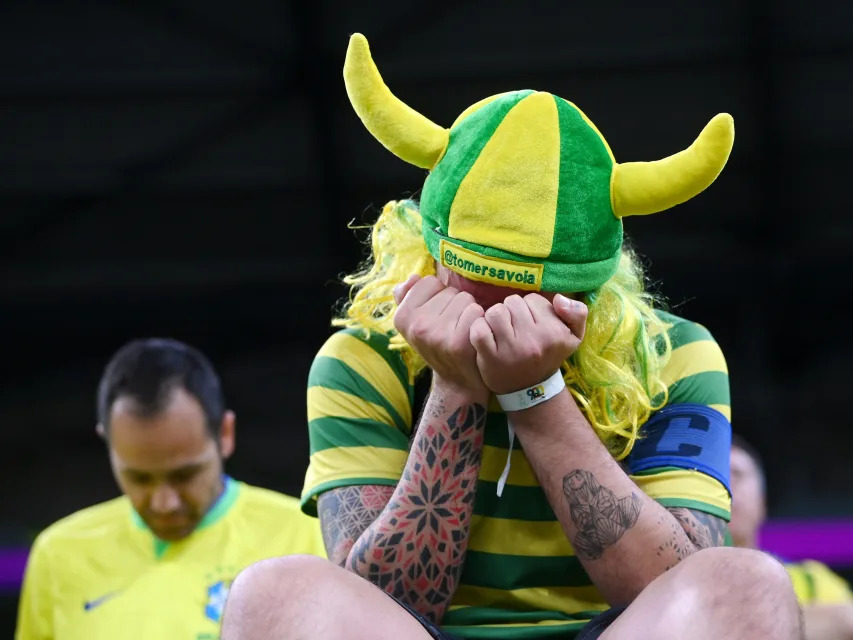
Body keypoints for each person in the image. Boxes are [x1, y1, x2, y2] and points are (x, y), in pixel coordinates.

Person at [221, 33, 801, 640]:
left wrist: (534, 394)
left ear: (589, 289)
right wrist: (456, 386)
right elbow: (381, 601)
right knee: (271, 593)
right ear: (433, 250)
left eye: (535, 295)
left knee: (749, 584)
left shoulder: (673, 353)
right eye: (475, 286)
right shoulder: (361, 359)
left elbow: (682, 583)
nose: (500, 321)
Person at [15, 338, 323, 640]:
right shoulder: (58, 556)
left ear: (226, 434)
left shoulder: (306, 538)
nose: (165, 503)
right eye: (139, 479)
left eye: (184, 475)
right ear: (108, 445)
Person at [729, 435, 853, 640]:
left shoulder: (809, 578)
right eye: (717, 478)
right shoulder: (677, 574)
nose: (727, 488)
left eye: (736, 474)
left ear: (762, 502)